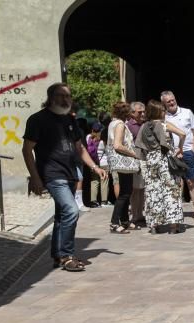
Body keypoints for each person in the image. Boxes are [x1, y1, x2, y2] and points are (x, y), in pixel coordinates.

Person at [21, 83, 107, 272]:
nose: (66, 99)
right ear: (51, 97)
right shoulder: (37, 119)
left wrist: (94, 167)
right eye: (62, 96)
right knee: (71, 211)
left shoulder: (69, 119)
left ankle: (58, 255)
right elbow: (27, 150)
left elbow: (80, 147)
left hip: (69, 173)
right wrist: (35, 177)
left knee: (61, 215)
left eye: (68, 96)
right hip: (51, 173)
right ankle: (67, 255)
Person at [136, 100, 184, 234]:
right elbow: (183, 134)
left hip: (150, 160)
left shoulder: (144, 127)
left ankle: (153, 225)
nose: (165, 112)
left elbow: (139, 147)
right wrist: (180, 148)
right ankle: (173, 226)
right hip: (164, 159)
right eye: (163, 110)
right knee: (171, 190)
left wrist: (141, 165)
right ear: (158, 112)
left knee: (153, 192)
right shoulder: (163, 125)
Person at [160, 90, 194, 222]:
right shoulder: (163, 117)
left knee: (191, 181)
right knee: (174, 183)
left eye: (173, 99)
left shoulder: (187, 112)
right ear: (164, 104)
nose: (172, 102)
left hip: (188, 152)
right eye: (168, 101)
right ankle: (176, 212)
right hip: (172, 154)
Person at [106, 101, 140, 234]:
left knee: (126, 191)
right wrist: (133, 153)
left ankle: (125, 221)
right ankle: (114, 223)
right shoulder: (120, 125)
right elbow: (118, 145)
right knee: (125, 193)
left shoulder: (113, 123)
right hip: (124, 162)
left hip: (120, 163)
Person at [126, 102, 147, 227]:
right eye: (140, 112)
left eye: (144, 111)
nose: (143, 114)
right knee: (135, 189)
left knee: (142, 188)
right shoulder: (129, 126)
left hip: (144, 159)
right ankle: (135, 215)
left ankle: (140, 214)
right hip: (135, 160)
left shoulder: (144, 124)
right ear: (132, 113)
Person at [82, 122, 106, 208]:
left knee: (94, 182)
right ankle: (104, 201)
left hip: (89, 163)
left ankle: (93, 200)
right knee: (103, 181)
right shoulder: (101, 141)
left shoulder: (87, 137)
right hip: (98, 163)